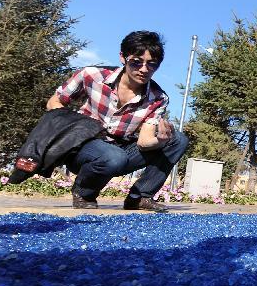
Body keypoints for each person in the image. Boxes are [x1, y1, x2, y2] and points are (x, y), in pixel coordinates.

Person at [46, 30, 188, 212]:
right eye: (136, 62)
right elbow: (54, 102)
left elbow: (144, 142)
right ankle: (84, 192)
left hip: (118, 152)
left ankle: (140, 197)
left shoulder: (158, 98)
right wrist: (73, 126)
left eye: (152, 65)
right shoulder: (91, 75)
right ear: (123, 57)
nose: (144, 69)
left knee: (178, 140)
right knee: (114, 156)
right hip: (80, 148)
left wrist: (160, 141)